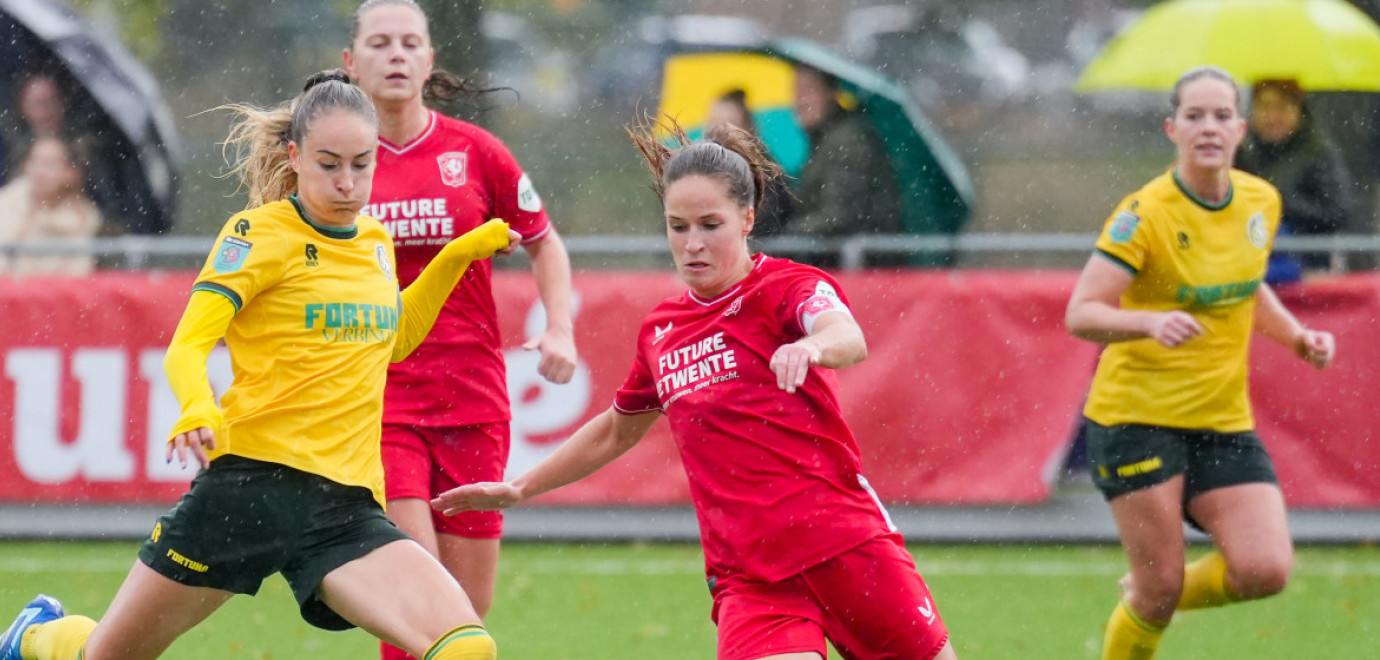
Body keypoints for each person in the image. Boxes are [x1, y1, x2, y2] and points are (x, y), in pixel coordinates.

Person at [0, 69, 520, 660]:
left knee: (465, 648)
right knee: (108, 657)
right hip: (247, 491)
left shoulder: (375, 241)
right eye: (329, 164)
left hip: (344, 508)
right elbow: (190, 344)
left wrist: (455, 255)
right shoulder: (256, 235)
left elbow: (392, 340)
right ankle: (36, 635)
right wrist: (196, 405)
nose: (347, 182)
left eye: (361, 163)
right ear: (295, 156)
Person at [433, 119, 958, 660]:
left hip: (846, 548)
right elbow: (616, 430)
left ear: (748, 218)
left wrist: (812, 347)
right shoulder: (662, 330)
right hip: (751, 580)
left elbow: (846, 334)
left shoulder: (787, 287)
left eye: (711, 224)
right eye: (677, 226)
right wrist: (521, 488)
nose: (693, 244)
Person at [1064, 66, 1337, 660]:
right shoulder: (1144, 213)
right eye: (1195, 116)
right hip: (1135, 419)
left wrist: (1296, 337)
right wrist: (1147, 321)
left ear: (1240, 130)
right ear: (1172, 128)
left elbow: (1248, 284)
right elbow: (1081, 311)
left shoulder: (1261, 201)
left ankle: (1149, 593)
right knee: (1162, 589)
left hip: (1221, 420)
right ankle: (1151, 597)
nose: (1208, 127)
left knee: (1265, 570)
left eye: (1221, 116)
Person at [341, 3, 578, 655]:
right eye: (380, 43)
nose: (395, 54)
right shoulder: (338, 164)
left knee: (466, 608)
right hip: (380, 401)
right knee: (415, 585)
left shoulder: (474, 152)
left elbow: (545, 242)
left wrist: (560, 329)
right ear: (350, 63)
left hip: (472, 399)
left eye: (409, 42)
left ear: (429, 60)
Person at [1235, 78, 1356, 284]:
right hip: (1247, 273)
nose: (1271, 117)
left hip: (1307, 274)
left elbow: (1337, 213)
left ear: (1299, 110)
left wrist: (1281, 201)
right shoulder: (1242, 153)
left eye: (1281, 107)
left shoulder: (1318, 153)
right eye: (1263, 106)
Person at [781, 64, 904, 267]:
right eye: (795, 92)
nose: (799, 101)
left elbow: (839, 215)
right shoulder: (823, 140)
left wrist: (787, 236)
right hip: (848, 261)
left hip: (864, 266)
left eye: (808, 90)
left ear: (831, 94)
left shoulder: (847, 140)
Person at [0, 136, 102, 276]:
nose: (40, 172)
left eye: (49, 164)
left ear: (70, 172)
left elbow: (78, 277)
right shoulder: (6, 205)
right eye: (35, 161)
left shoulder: (81, 221)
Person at [705, 88, 793, 236]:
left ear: (746, 129)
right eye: (714, 123)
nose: (718, 133)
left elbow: (765, 223)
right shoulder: (698, 169)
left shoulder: (765, 172)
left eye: (729, 124)